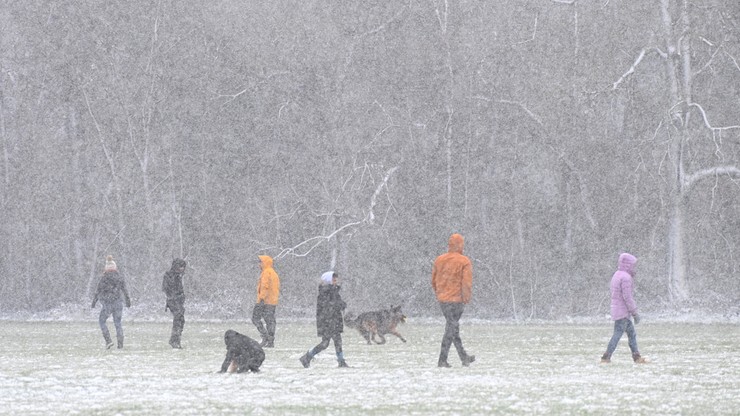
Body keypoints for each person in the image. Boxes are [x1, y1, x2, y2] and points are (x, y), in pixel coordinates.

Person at [431, 233, 475, 368]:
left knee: (452, 327)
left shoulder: (439, 260)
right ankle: (442, 360)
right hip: (456, 300)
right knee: (451, 328)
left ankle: (464, 357)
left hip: (443, 300)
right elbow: (466, 283)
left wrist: (439, 293)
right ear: (461, 245)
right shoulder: (464, 261)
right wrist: (466, 298)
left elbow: (433, 280)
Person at [601, 253, 647, 364]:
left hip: (618, 310)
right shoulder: (626, 278)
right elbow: (628, 297)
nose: (634, 267)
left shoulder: (617, 274)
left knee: (631, 334)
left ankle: (636, 356)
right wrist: (634, 313)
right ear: (628, 265)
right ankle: (606, 357)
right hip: (623, 312)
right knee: (618, 335)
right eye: (633, 265)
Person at [299, 271, 348, 368]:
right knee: (326, 343)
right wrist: (339, 305)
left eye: (336, 279)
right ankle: (307, 357)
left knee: (334, 341)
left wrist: (342, 305)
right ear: (328, 280)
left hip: (333, 320)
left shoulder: (333, 291)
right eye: (333, 279)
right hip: (328, 321)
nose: (336, 281)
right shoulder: (325, 292)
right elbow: (328, 306)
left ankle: (341, 361)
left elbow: (337, 303)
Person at [91, 255, 131, 349]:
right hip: (118, 302)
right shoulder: (119, 277)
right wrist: (128, 300)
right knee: (118, 323)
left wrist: (94, 302)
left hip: (107, 303)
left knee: (102, 321)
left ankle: (108, 341)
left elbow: (98, 291)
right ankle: (120, 344)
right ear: (115, 268)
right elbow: (124, 290)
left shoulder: (103, 278)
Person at [252, 255, 280, 347]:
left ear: (264, 263)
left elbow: (265, 287)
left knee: (255, 318)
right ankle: (270, 341)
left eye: (260, 262)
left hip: (264, 300)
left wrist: (261, 299)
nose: (258, 264)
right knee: (270, 321)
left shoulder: (266, 273)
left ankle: (265, 337)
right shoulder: (274, 273)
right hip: (272, 301)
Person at [162, 258, 187, 349]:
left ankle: (176, 340)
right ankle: (174, 340)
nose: (182, 269)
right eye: (181, 267)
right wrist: (173, 296)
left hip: (179, 301)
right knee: (178, 318)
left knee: (181, 320)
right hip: (173, 301)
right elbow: (165, 288)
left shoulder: (178, 276)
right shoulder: (169, 275)